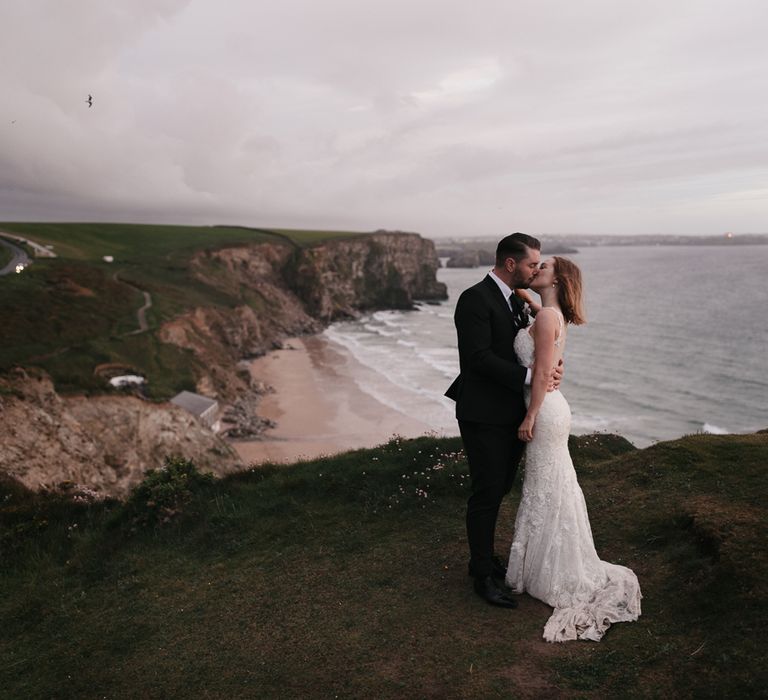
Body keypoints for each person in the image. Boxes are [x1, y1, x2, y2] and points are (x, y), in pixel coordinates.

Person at [507, 256, 642, 641]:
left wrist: (530, 416)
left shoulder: (548, 317)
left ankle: (551, 571)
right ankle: (545, 564)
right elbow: (536, 313)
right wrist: (517, 287)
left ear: (559, 277)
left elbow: (544, 373)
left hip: (545, 411)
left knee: (545, 487)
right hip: (555, 408)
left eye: (543, 266)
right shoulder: (552, 313)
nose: (536, 269)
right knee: (552, 486)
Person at [445, 233, 562, 608]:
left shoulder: (517, 299)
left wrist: (548, 370)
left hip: (510, 412)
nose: (534, 270)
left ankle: (484, 558)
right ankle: (480, 575)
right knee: (486, 493)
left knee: (500, 488)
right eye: (531, 264)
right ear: (510, 264)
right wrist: (533, 377)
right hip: (482, 413)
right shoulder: (474, 299)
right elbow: (477, 358)